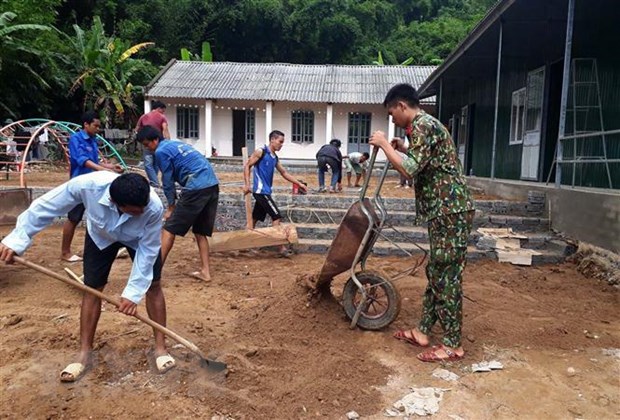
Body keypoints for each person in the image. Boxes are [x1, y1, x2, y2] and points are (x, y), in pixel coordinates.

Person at [0, 172, 175, 381]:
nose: (142, 211)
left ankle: (161, 348)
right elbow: (47, 206)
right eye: (135, 211)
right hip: (100, 236)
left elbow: (147, 251)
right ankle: (84, 354)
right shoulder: (87, 186)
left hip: (139, 240)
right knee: (92, 289)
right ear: (114, 202)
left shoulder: (152, 207)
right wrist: (18, 238)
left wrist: (133, 293)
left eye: (143, 208)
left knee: (153, 285)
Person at [369, 83, 475, 362]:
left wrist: (382, 145)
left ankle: (453, 345)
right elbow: (421, 159)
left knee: (447, 275)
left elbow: (409, 169)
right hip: (444, 211)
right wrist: (402, 147)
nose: (392, 119)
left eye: (392, 113)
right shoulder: (423, 127)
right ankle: (423, 331)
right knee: (437, 271)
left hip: (449, 211)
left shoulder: (423, 125)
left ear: (402, 106)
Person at [137, 126, 219, 282]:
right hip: (212, 184)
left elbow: (167, 181)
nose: (147, 149)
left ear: (155, 140)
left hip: (196, 187)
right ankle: (205, 271)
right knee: (200, 232)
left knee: (169, 229)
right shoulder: (174, 143)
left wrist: (171, 206)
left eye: (147, 145)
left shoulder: (161, 151)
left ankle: (153, 273)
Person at [61, 110, 123, 262]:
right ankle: (65, 252)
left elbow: (94, 161)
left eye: (99, 126)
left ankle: (105, 247)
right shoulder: (76, 139)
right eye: (95, 126)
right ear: (86, 124)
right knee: (74, 217)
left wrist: (110, 167)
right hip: (80, 185)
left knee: (101, 215)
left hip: (94, 184)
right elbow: (82, 160)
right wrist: (102, 169)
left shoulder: (93, 140)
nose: (98, 129)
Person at [243, 130, 307, 255]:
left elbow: (284, 173)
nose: (281, 145)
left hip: (266, 191)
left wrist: (299, 184)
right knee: (276, 216)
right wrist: (247, 184)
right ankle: (280, 247)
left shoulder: (274, 157)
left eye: (282, 142)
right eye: (280, 142)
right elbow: (247, 166)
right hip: (261, 192)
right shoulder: (261, 152)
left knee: (255, 218)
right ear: (272, 140)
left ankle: (245, 242)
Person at [135, 101, 170, 187]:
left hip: (146, 142)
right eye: (163, 110)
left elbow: (137, 129)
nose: (163, 112)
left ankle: (154, 182)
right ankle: (155, 182)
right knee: (156, 163)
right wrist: (168, 141)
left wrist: (140, 139)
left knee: (148, 164)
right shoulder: (162, 117)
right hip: (158, 143)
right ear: (159, 108)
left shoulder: (143, 117)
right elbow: (165, 129)